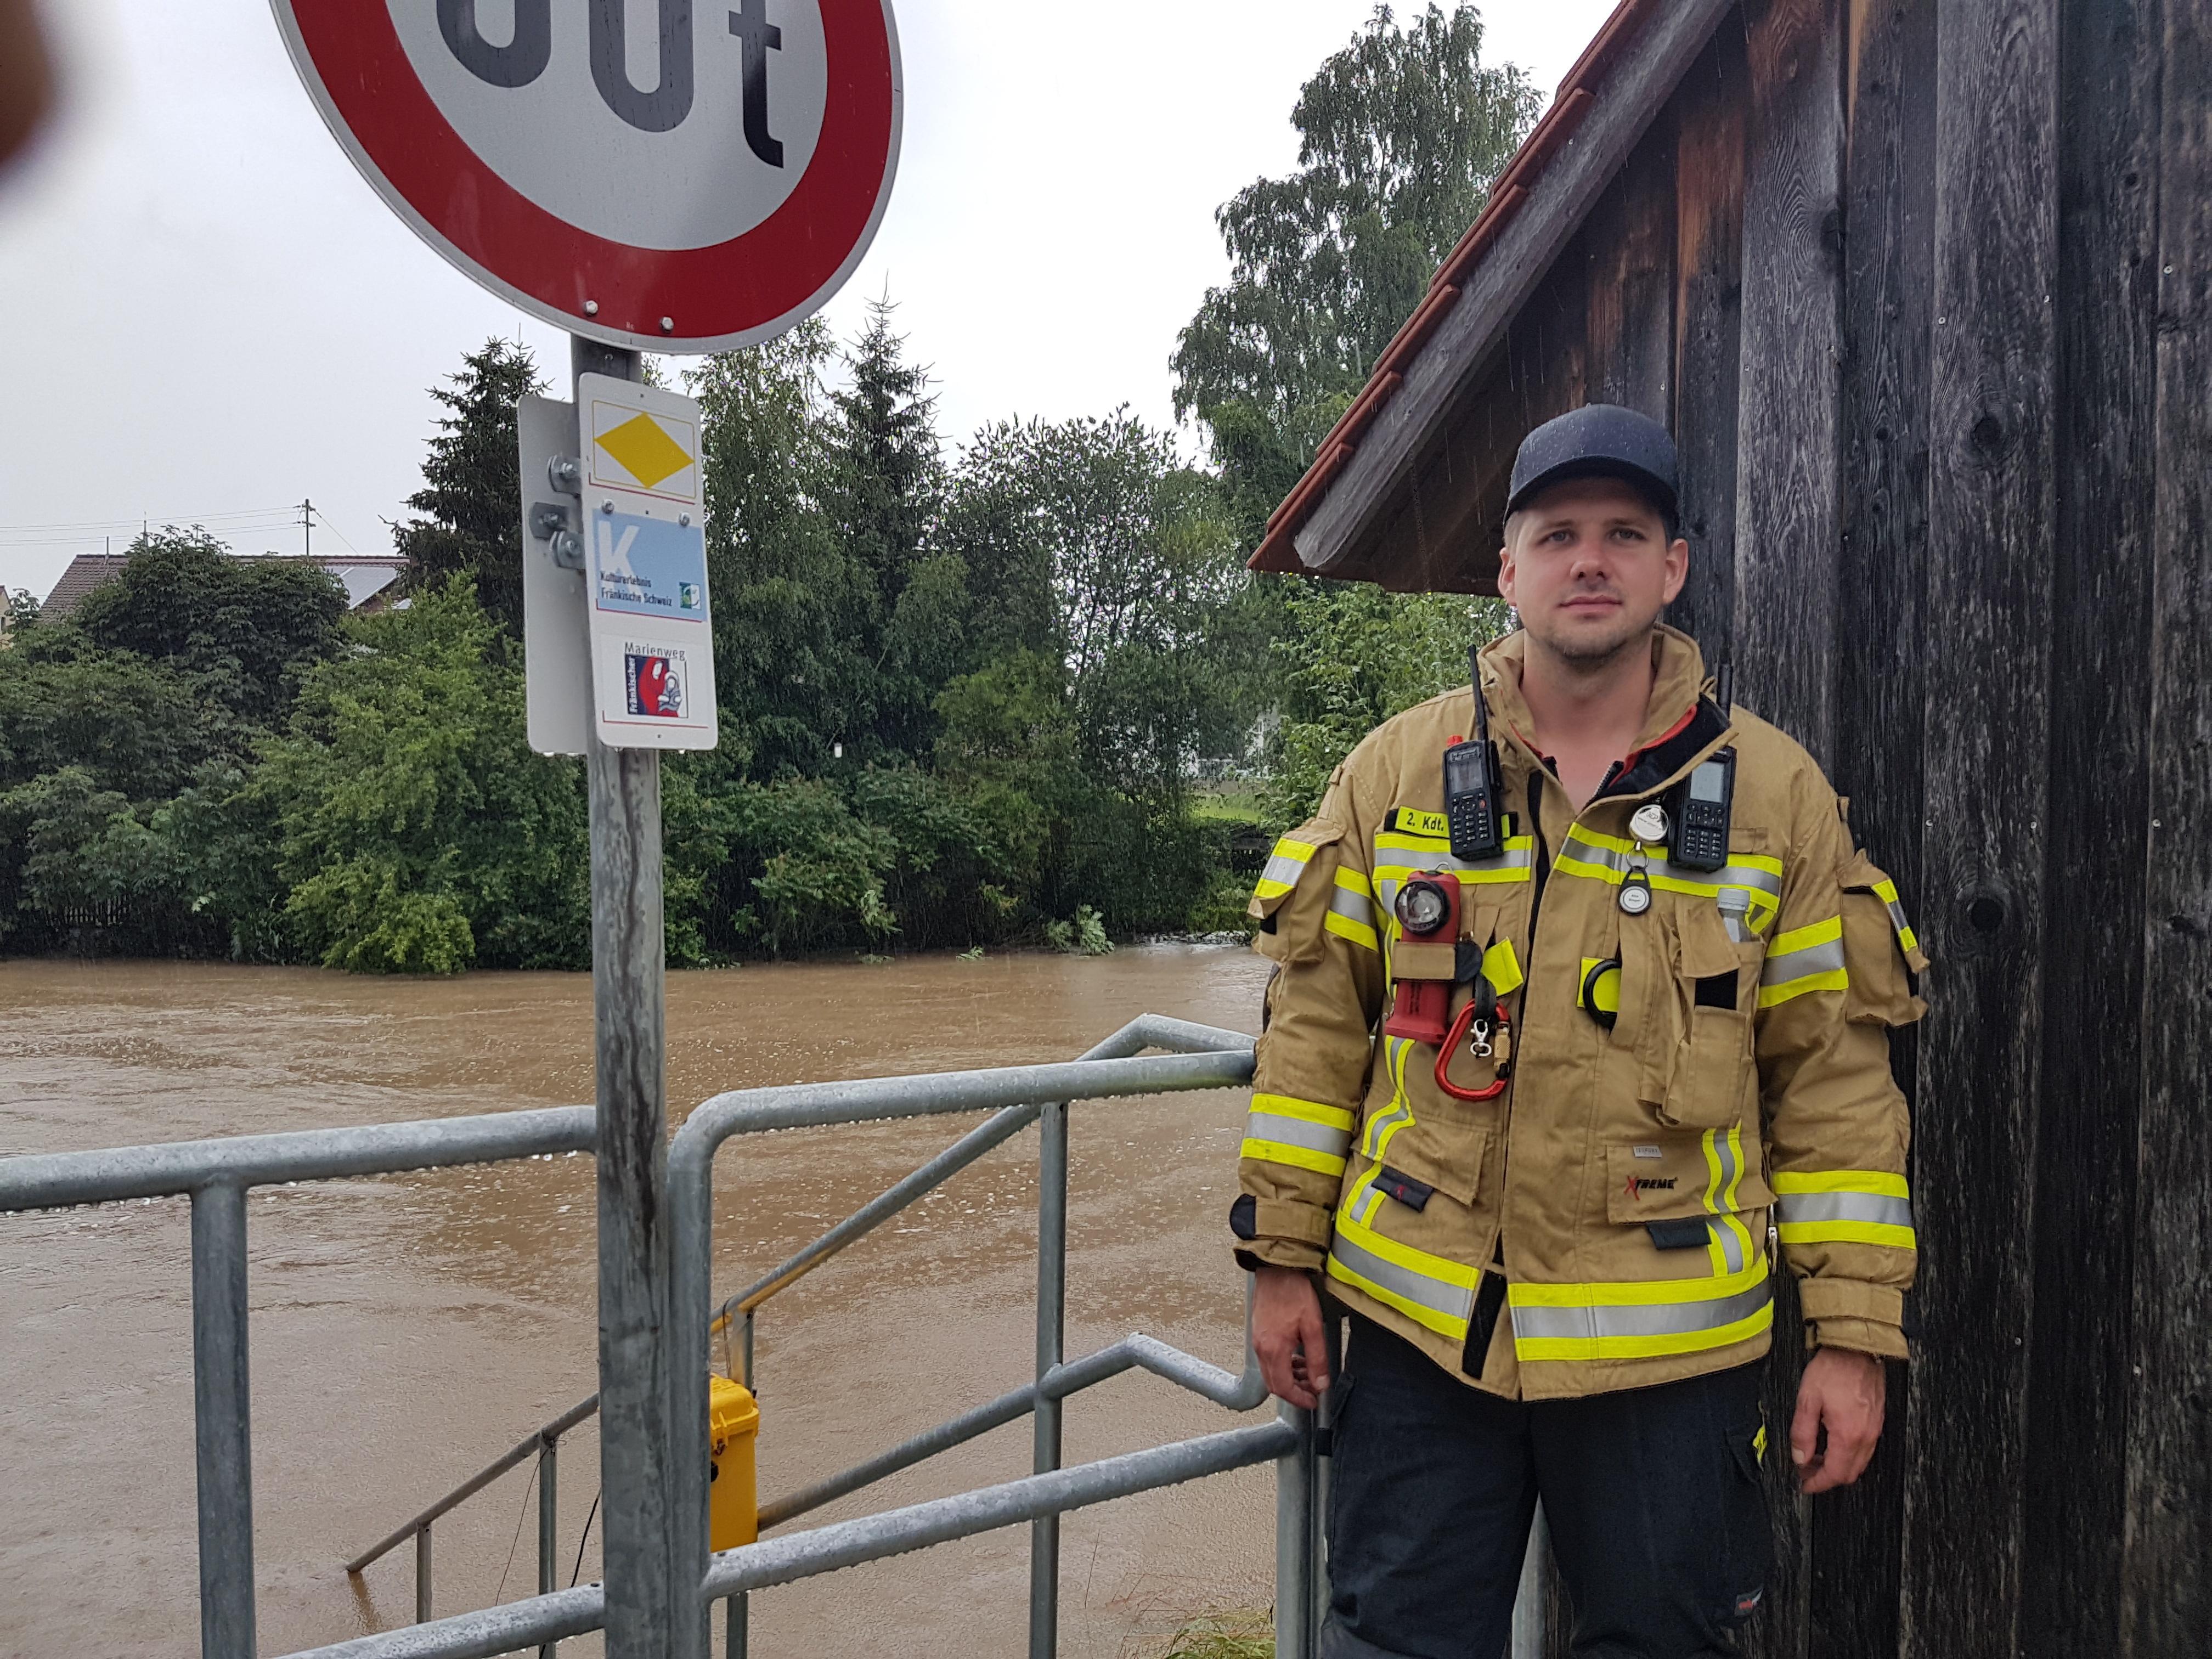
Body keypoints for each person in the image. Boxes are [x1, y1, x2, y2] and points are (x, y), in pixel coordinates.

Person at [1231, 404, 1923, 1659]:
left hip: (1671, 1365)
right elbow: (1315, 1038)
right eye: (1557, 535)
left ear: (1674, 567)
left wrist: (1855, 1336)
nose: (1590, 560)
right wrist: (1281, 1259)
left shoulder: (1776, 802)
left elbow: (1835, 1087)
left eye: (1624, 533)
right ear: (1508, 571)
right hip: (1424, 1344)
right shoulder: (1394, 775)